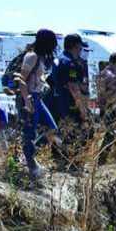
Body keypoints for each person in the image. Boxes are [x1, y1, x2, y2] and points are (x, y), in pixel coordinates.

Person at [18, 29, 61, 179]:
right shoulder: (32, 56)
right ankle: (31, 165)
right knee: (29, 133)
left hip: (38, 98)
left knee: (52, 128)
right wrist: (27, 100)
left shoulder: (41, 58)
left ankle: (30, 156)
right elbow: (21, 80)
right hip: (29, 97)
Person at [49, 33, 92, 169]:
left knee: (62, 133)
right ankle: (74, 164)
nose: (81, 49)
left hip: (58, 104)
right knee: (75, 134)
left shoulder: (59, 60)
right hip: (70, 106)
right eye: (80, 46)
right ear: (75, 45)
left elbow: (51, 81)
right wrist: (83, 110)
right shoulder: (69, 63)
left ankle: (61, 162)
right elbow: (73, 89)